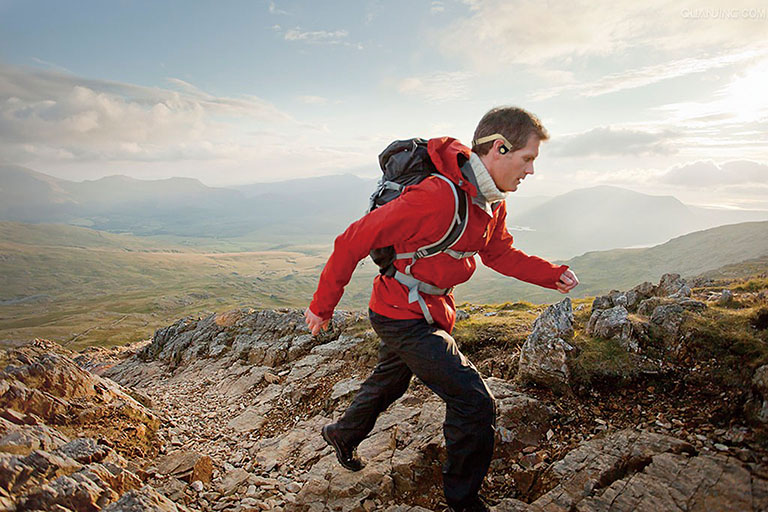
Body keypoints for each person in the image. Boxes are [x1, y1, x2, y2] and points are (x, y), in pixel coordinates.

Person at [304, 106, 579, 512]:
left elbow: (499, 253)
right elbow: (351, 241)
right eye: (528, 159)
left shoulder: (491, 201)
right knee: (473, 401)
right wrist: (322, 307)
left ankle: (343, 434)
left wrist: (550, 275)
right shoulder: (437, 196)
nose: (531, 171)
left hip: (427, 310)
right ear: (499, 148)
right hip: (401, 314)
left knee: (391, 381)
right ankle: (462, 500)